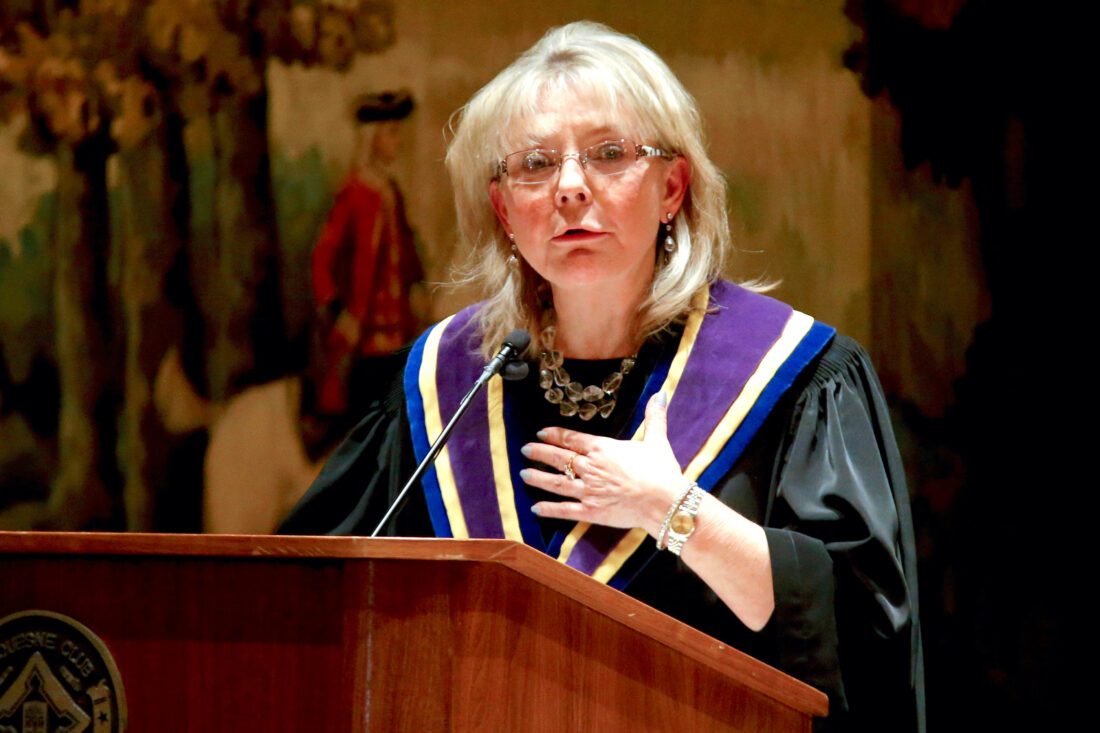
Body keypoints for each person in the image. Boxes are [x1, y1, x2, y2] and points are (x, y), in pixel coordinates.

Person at [281, 22, 923, 733]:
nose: (569, 188)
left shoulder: (797, 375)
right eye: (534, 164)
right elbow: (300, 606)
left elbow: (858, 640)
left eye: (609, 154)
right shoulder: (446, 384)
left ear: (672, 187)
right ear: (503, 209)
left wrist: (671, 507)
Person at [310, 90, 425, 420]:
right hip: (363, 340)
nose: (398, 141)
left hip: (399, 333)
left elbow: (407, 256)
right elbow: (322, 261)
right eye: (391, 133)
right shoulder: (353, 194)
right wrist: (338, 313)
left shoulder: (392, 192)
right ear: (372, 138)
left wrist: (417, 289)